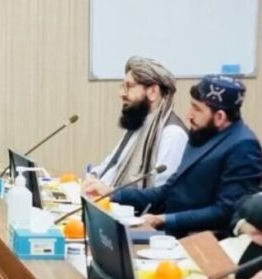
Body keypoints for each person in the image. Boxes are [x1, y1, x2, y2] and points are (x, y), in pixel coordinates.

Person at [110, 75, 262, 238]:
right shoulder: (202, 133)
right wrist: (114, 194)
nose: (189, 115)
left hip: (204, 241)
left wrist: (164, 219)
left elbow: (226, 211)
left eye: (197, 109)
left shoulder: (244, 146)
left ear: (219, 117)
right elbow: (168, 191)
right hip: (172, 233)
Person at [83, 56, 187, 192]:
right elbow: (112, 164)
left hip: (132, 205)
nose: (121, 94)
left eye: (129, 86)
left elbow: (161, 192)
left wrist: (111, 193)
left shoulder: (173, 134)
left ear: (153, 91)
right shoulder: (139, 122)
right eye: (123, 86)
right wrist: (93, 176)